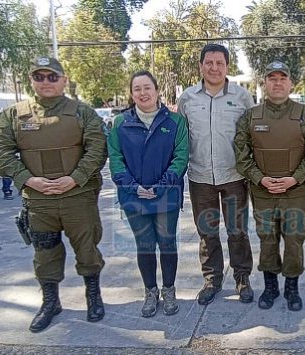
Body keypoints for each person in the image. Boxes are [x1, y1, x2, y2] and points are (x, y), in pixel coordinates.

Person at [0, 57, 107, 332]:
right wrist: (28, 179)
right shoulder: (12, 116)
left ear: (64, 80)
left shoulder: (83, 112)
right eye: (39, 77)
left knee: (87, 250)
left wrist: (74, 179)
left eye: (52, 77)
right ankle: (50, 302)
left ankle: (94, 296)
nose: (46, 82)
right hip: (39, 201)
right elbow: (1, 153)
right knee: (44, 254)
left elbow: (97, 149)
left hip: (78, 197)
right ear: (31, 80)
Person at [234, 61, 305, 311]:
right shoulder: (251, 116)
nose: (277, 82)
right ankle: (270, 286)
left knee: (294, 241)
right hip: (263, 192)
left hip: (295, 191)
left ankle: (291, 287)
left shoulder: (304, 115)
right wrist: (259, 178)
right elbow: (241, 153)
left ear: (291, 83)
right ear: (264, 84)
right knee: (268, 241)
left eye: (282, 78)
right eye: (272, 78)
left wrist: (295, 178)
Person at [177, 44, 255, 305]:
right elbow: (181, 138)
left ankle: (242, 278)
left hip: (234, 176)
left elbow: (252, 138)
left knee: (237, 231)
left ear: (227, 67)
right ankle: (212, 280)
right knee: (207, 232)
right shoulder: (187, 98)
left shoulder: (242, 97)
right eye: (208, 62)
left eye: (219, 63)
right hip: (200, 178)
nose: (214, 67)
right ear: (200, 66)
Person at [108, 70, 189, 317]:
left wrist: (160, 185)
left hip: (166, 197)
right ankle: (150, 291)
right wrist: (134, 187)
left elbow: (181, 156)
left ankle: (169, 290)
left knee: (166, 244)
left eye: (147, 88)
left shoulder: (175, 122)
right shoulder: (120, 123)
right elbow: (115, 158)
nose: (143, 93)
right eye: (137, 89)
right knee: (144, 246)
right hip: (135, 198)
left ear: (157, 91)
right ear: (131, 94)